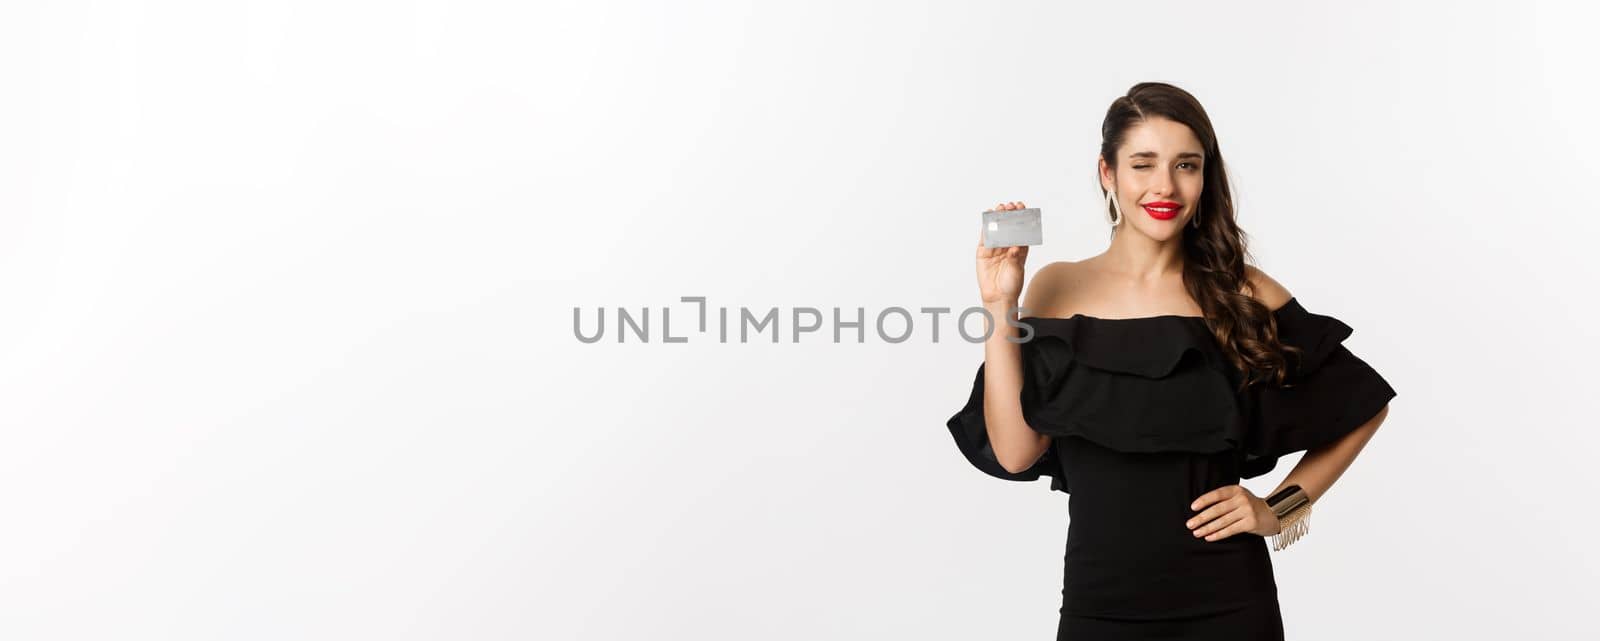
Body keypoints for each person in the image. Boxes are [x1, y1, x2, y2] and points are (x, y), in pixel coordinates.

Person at [948, 82, 1397, 640]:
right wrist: (999, 305)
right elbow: (1015, 453)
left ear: (1205, 177)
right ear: (1108, 174)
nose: (1165, 186)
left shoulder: (1245, 292)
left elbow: (1364, 404)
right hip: (1098, 607)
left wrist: (1278, 507)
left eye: (1186, 165)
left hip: (1230, 606)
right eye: (1143, 164)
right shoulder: (1056, 286)